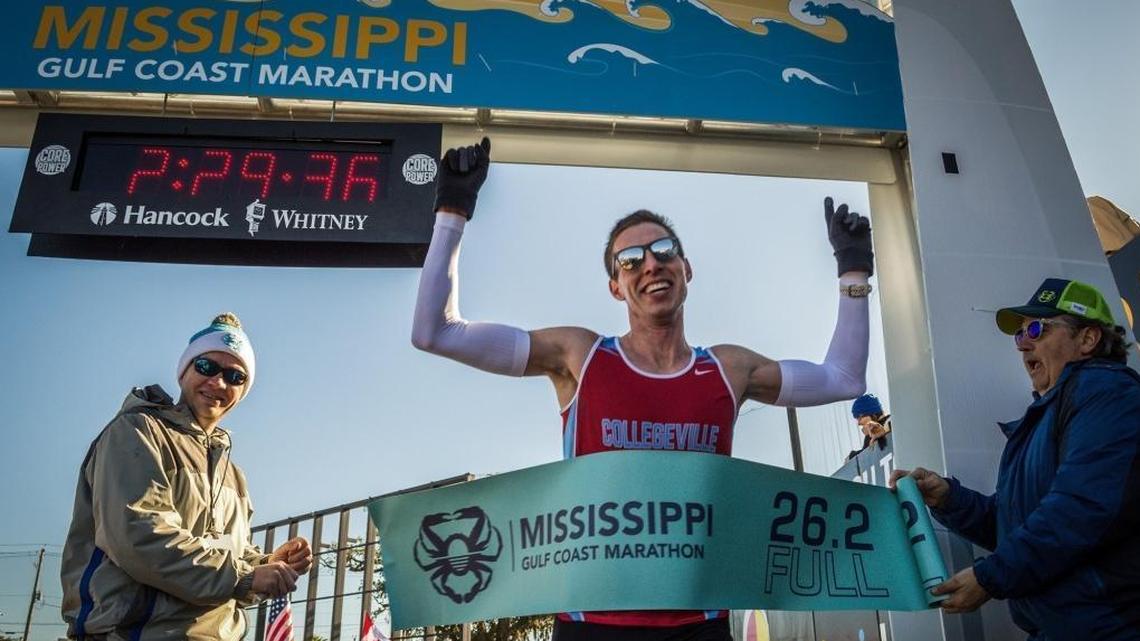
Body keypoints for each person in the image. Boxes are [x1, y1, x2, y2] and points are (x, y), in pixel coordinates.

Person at [412, 138, 874, 640]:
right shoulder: (579, 356)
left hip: (700, 624)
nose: (650, 264)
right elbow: (435, 332)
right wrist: (453, 208)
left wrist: (853, 269)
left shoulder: (729, 369)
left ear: (686, 269)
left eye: (664, 250)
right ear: (616, 286)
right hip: (593, 624)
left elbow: (843, 378)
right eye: (630, 259)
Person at [890, 278, 1140, 640]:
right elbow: (1012, 526)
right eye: (1020, 334)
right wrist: (948, 498)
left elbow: (1081, 509)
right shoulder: (1047, 416)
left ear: (1088, 339)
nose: (1023, 344)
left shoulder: (1108, 393)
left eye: (1037, 329)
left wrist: (990, 577)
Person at [61, 313, 313, 641]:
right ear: (184, 371)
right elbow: (140, 537)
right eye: (206, 367)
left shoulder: (233, 475)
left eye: (235, 376)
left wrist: (266, 563)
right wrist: (244, 578)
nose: (218, 383)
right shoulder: (138, 431)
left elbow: (227, 551)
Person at [845, 393, 891, 462]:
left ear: (872, 414)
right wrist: (852, 457)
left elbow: (894, 422)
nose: (859, 423)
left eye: (859, 418)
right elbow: (866, 457)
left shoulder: (891, 420)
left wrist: (883, 430)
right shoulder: (870, 437)